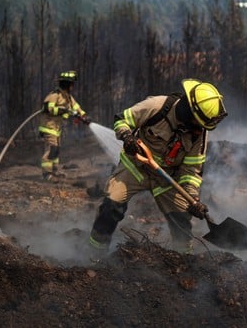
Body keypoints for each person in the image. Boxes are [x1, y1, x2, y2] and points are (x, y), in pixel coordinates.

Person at [87, 79, 227, 257]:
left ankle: (185, 262)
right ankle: (94, 255)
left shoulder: (199, 134)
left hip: (166, 178)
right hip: (135, 168)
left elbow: (191, 172)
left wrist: (192, 198)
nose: (199, 129)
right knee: (111, 206)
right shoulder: (157, 106)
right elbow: (122, 119)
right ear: (188, 111)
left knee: (182, 220)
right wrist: (127, 137)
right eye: (197, 123)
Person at [38, 70, 90, 182]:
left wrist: (84, 116)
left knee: (56, 150)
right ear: (67, 84)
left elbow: (76, 107)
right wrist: (63, 110)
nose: (73, 86)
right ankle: (46, 174)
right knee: (51, 150)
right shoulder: (54, 95)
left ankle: (54, 171)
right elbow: (48, 108)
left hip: (57, 128)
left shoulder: (67, 97)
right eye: (71, 84)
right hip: (48, 126)